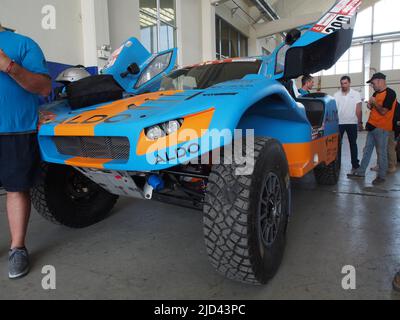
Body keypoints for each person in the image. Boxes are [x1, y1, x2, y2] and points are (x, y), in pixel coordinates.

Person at [0, 23, 51, 279]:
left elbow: (43, 87)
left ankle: (17, 248)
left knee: (16, 188)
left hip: (15, 130)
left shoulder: (23, 44)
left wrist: (9, 66)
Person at [347, 73, 396, 185]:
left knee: (381, 152)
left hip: (382, 128)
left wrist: (374, 103)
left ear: (379, 81)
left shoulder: (390, 93)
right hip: (372, 127)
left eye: (373, 83)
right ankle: (361, 172)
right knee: (367, 151)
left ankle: (381, 176)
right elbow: (372, 107)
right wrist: (370, 105)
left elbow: (384, 111)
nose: (372, 86)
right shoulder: (376, 93)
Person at [334, 76, 362, 173]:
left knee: (353, 144)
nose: (343, 85)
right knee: (337, 145)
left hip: (352, 123)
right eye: (342, 83)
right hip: (339, 123)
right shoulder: (336, 95)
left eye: (345, 83)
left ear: (349, 83)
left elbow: (358, 109)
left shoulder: (356, 94)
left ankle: (355, 163)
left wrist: (360, 122)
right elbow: (335, 110)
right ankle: (336, 163)